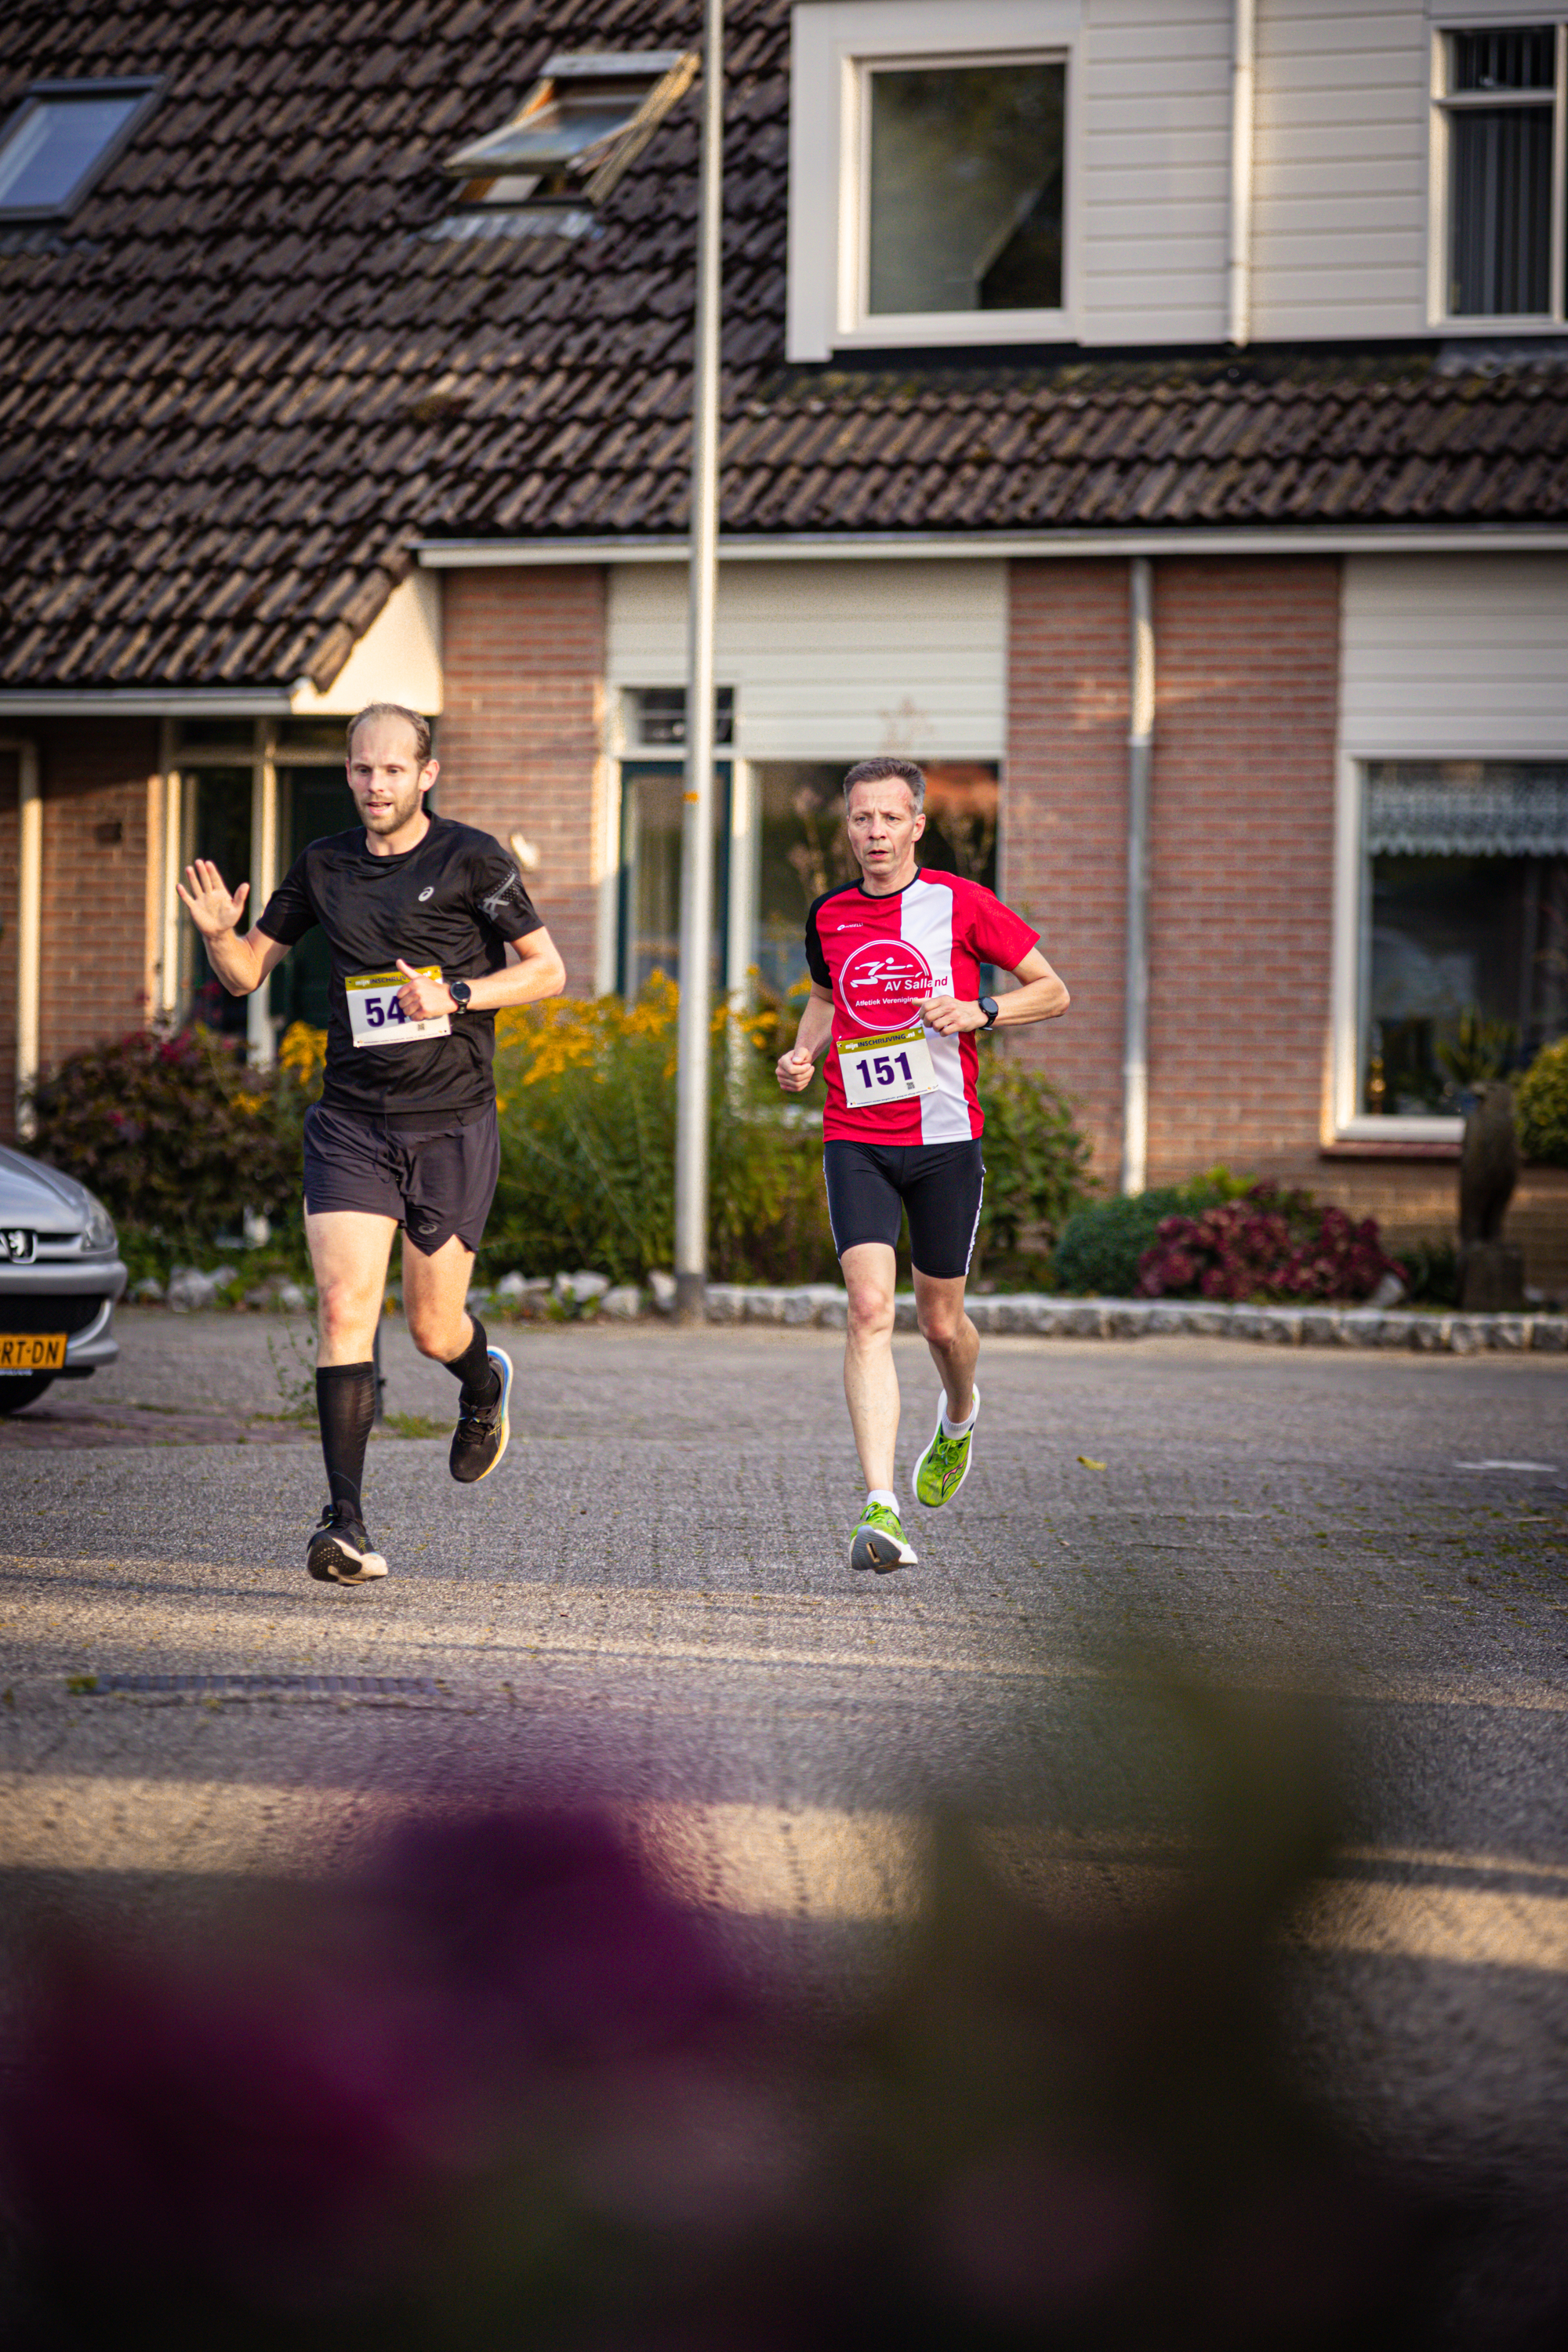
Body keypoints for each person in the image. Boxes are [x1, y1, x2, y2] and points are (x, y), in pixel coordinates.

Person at [177, 702, 565, 1586]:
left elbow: (547, 970)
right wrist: (214, 934)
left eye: (392, 770)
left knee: (432, 1328)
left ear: (425, 775)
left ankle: (481, 1383)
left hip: (452, 1122)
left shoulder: (473, 857)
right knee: (344, 1307)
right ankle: (343, 1520)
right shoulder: (322, 865)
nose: (375, 785)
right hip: (351, 1120)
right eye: (361, 769)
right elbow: (245, 974)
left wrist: (457, 995)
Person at [776, 757, 1069, 1574]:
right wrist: (802, 1054)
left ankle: (961, 1409)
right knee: (869, 1308)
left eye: (888, 818)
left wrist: (983, 1009)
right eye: (859, 819)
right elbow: (827, 996)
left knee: (939, 1324)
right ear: (848, 827)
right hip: (856, 1137)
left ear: (916, 825)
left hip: (944, 1140)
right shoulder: (828, 913)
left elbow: (1052, 989)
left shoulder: (959, 903)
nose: (873, 833)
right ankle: (879, 1506)